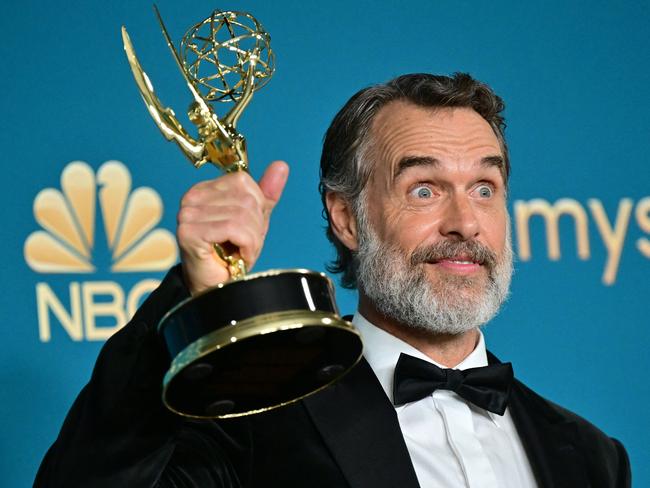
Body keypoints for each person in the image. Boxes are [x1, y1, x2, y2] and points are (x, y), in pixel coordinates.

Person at [34, 73, 631, 487]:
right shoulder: (250, 418)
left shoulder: (591, 457)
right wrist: (195, 297)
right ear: (347, 218)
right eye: (424, 189)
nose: (465, 223)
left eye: (484, 188)